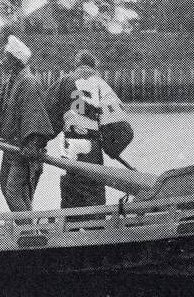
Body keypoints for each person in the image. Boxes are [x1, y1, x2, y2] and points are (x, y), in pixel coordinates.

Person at [45, 50, 132, 209]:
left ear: (76, 66)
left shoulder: (64, 82)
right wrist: (111, 148)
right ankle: (96, 228)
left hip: (69, 148)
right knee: (93, 193)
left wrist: (38, 143)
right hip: (92, 151)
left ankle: (70, 228)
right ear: (94, 67)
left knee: (70, 194)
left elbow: (46, 117)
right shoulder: (101, 85)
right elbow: (124, 129)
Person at [0, 35, 53, 214]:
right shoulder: (9, 83)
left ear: (15, 61)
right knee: (8, 187)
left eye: (6, 57)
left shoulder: (28, 83)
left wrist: (32, 145)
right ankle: (30, 230)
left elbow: (35, 117)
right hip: (9, 147)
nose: (3, 61)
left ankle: (28, 231)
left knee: (13, 191)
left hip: (23, 150)